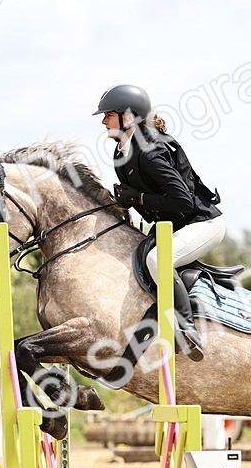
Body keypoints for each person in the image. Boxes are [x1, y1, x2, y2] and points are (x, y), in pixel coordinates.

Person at [95, 83, 225, 361]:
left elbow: (182, 202)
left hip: (201, 224)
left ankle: (187, 328)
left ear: (128, 117)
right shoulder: (121, 151)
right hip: (171, 226)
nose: (104, 120)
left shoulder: (151, 151)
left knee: (157, 261)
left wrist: (137, 197)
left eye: (109, 115)